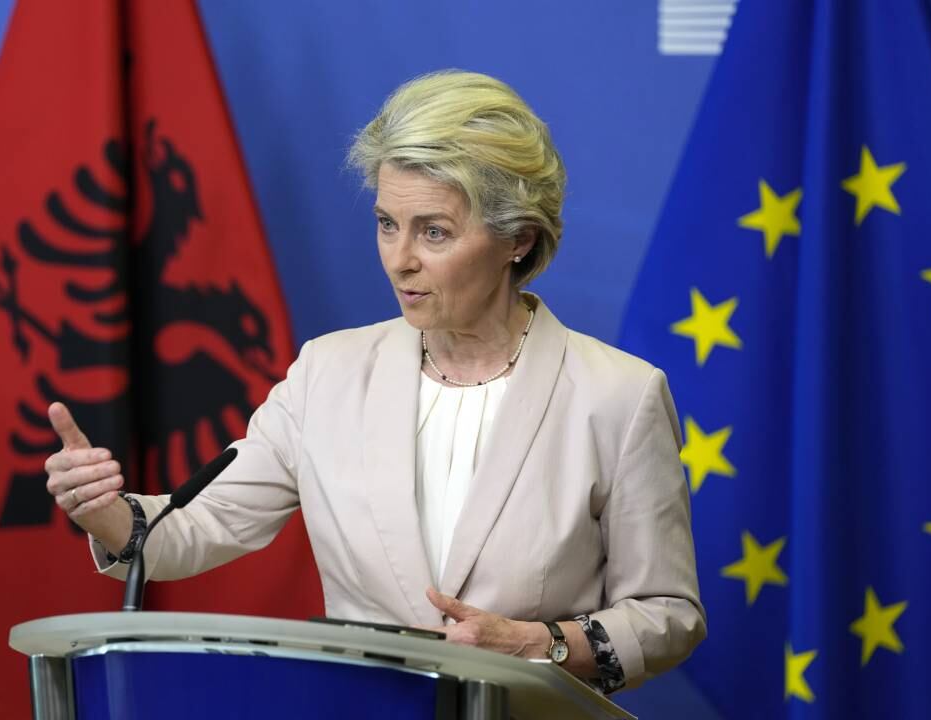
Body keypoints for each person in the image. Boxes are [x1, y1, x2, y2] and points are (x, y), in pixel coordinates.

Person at [44, 70, 705, 693]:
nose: (400, 260)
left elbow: (667, 615)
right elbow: (195, 529)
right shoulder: (327, 374)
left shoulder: (617, 395)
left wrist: (538, 643)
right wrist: (107, 514)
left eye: (435, 232)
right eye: (387, 224)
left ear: (518, 241)